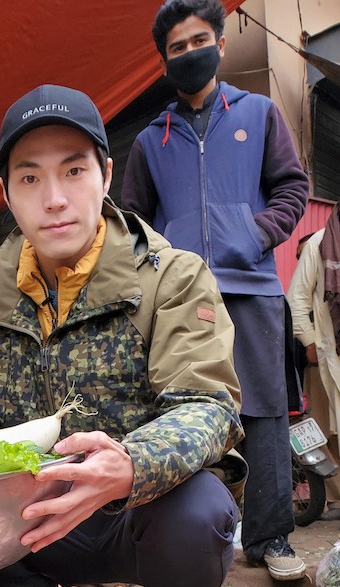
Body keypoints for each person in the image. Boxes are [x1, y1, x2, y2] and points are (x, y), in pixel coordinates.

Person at [0, 83, 244, 587]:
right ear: (6, 193)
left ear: (105, 175)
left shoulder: (172, 277)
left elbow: (207, 405)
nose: (55, 199)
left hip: (137, 516)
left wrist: (131, 463)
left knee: (199, 510)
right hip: (30, 526)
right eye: (30, 177)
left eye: (74, 171)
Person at [120, 0, 309, 579]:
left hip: (251, 289)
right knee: (181, 414)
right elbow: (129, 221)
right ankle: (189, 539)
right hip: (182, 302)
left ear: (220, 44)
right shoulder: (152, 140)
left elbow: (292, 189)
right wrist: (158, 270)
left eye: (198, 41)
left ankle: (271, 540)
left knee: (265, 413)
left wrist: (252, 236)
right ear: (164, 60)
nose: (188, 54)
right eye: (176, 48)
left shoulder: (260, 113)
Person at [287, 212, 340, 519]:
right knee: (323, 429)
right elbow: (297, 300)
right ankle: (333, 499)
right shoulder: (320, 244)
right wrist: (308, 340)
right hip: (325, 354)